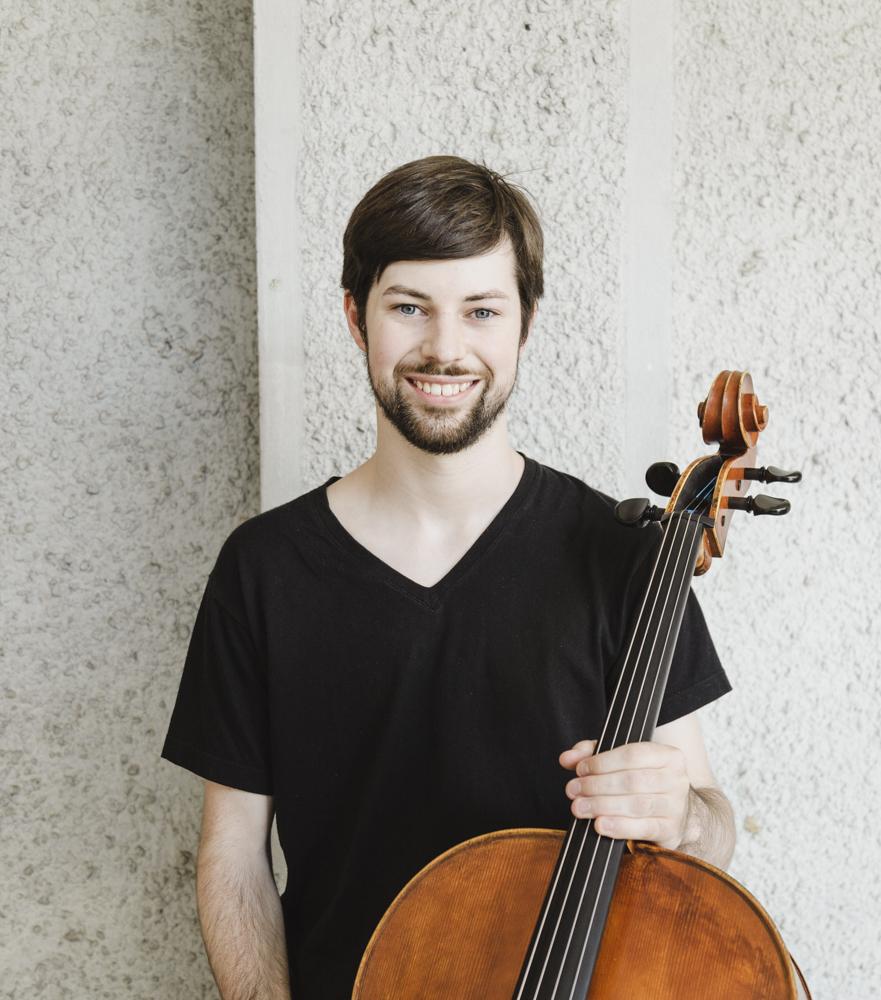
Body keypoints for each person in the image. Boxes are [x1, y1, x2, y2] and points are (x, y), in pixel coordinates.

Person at [161, 155, 736, 1000]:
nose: (444, 347)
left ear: (523, 325)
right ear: (357, 318)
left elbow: (711, 829)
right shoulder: (264, 569)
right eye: (408, 307)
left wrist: (682, 816)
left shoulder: (624, 555)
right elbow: (234, 858)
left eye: (480, 310)